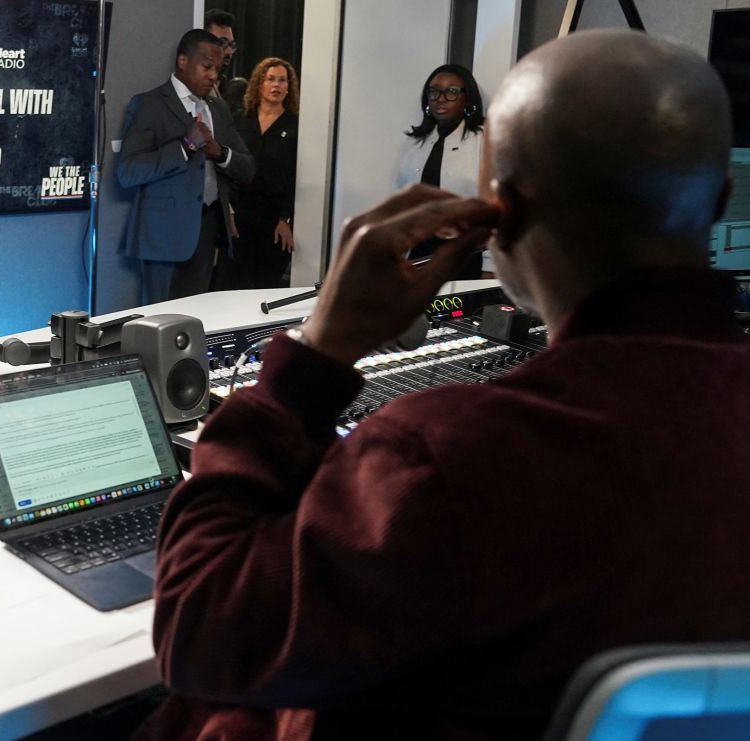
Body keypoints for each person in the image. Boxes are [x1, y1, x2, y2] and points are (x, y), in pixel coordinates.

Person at [140, 29, 750, 740]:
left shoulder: (448, 453)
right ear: (722, 197)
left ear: (501, 213)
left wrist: (316, 357)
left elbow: (200, 630)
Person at [117, 29, 254, 304]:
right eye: (206, 66)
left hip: (207, 231)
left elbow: (247, 167)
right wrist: (184, 146)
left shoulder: (218, 108)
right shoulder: (150, 104)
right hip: (162, 237)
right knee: (158, 327)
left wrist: (220, 153)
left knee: (194, 323)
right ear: (182, 61)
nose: (214, 75)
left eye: (217, 68)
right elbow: (128, 171)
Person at [396, 63, 488, 278]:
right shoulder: (417, 142)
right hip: (419, 254)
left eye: (452, 92)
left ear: (467, 99)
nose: (441, 98)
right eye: (434, 91)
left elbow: (495, 206)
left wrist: (490, 264)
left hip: (465, 256)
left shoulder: (484, 139)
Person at [230, 57, 300, 289]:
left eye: (282, 80)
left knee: (265, 285)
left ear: (289, 87)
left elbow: (296, 176)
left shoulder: (296, 125)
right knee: (235, 284)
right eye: (271, 79)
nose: (277, 85)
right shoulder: (240, 119)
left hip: (274, 220)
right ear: (259, 83)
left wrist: (285, 218)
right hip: (239, 216)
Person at [205, 9, 238, 98]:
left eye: (231, 45)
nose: (229, 52)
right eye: (222, 43)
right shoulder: (191, 88)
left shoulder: (227, 89)